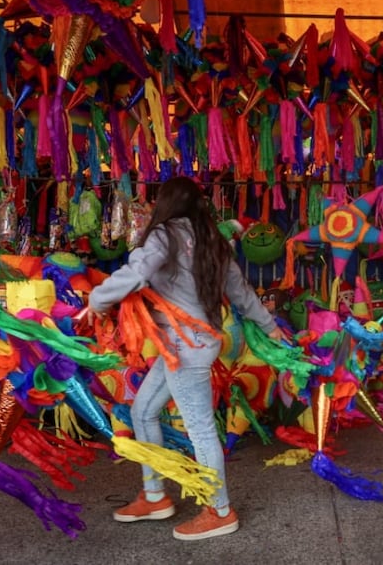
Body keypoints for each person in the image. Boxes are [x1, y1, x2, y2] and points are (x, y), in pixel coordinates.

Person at [87, 176, 288, 541]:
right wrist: (269, 325)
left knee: (200, 430)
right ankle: (154, 495)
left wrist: (97, 301)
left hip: (184, 345)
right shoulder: (213, 238)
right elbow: (241, 291)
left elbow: (137, 272)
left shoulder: (164, 234)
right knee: (143, 411)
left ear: (165, 204)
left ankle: (220, 510)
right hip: (188, 343)